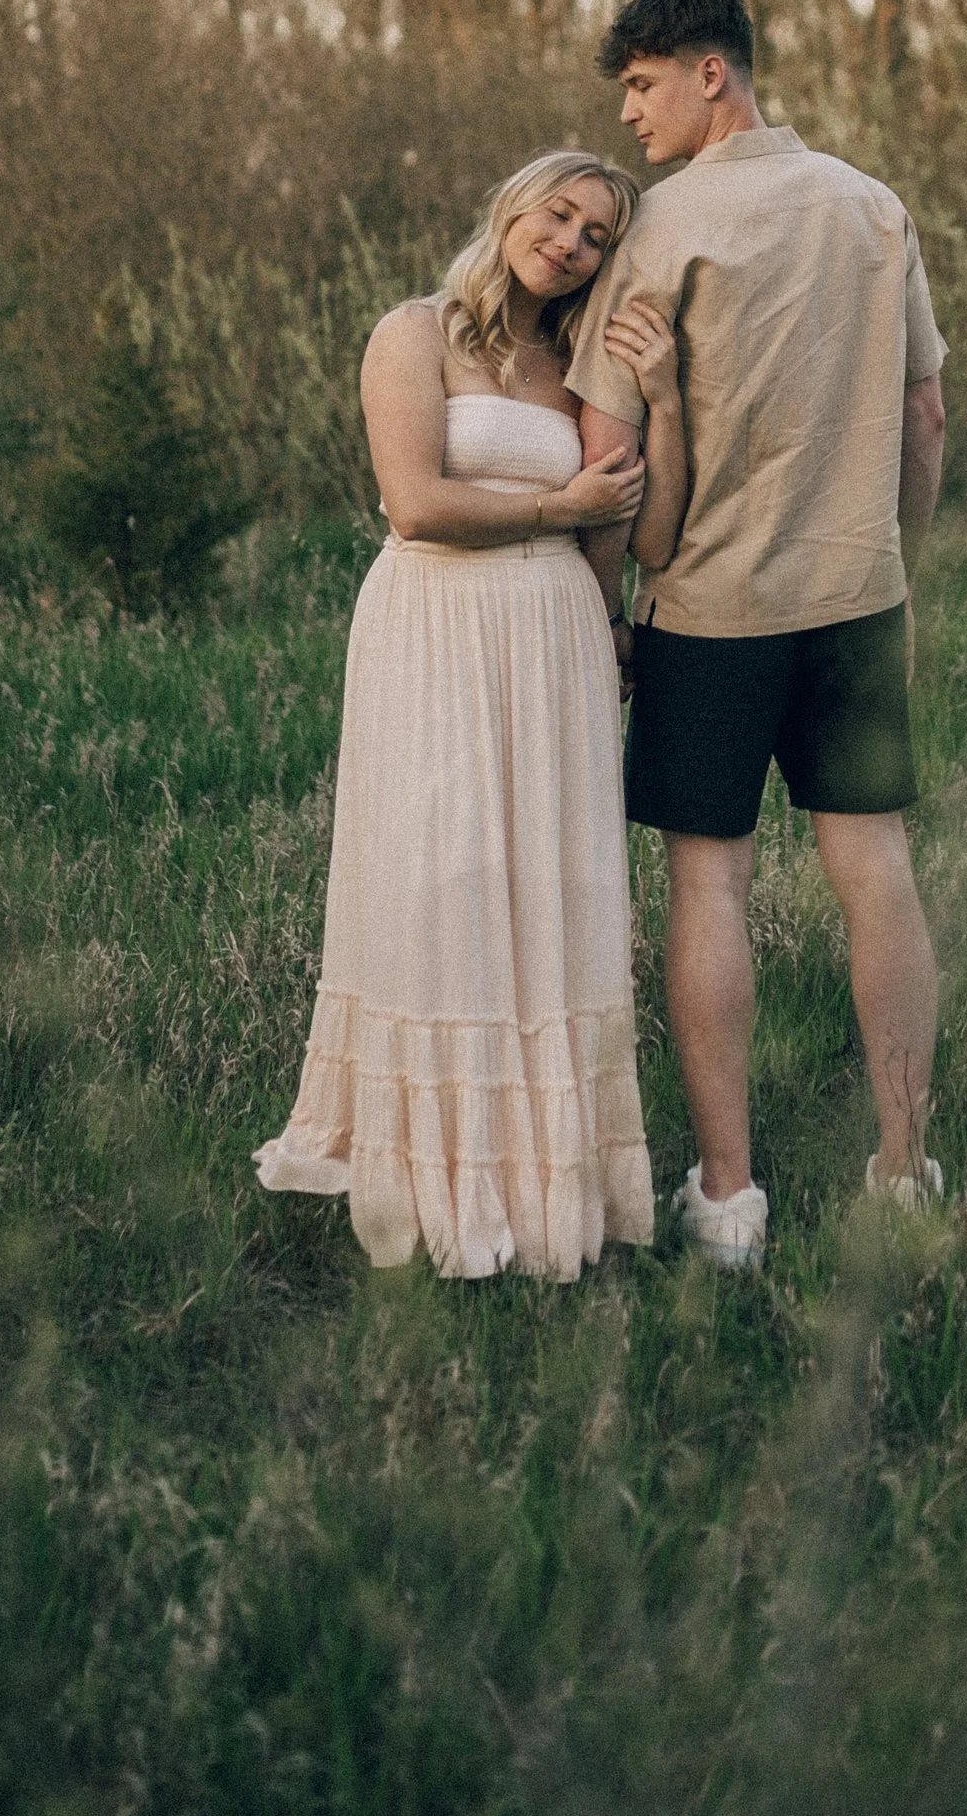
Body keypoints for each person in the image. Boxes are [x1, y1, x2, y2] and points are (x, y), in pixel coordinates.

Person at [568, 0, 948, 1271]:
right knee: (875, 869)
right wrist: (885, 556)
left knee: (709, 880)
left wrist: (611, 605)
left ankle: (728, 1201)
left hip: (709, 616)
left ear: (709, 73)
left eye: (640, 84)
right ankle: (902, 1169)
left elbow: (609, 447)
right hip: (855, 601)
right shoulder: (871, 206)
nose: (629, 113)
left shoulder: (665, 228)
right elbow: (926, 416)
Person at [254, 150, 687, 1278]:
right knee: (441, 876)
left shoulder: (582, 366)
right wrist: (559, 502)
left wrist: (613, 628)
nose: (573, 244)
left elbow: (613, 531)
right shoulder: (415, 333)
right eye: (561, 215)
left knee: (549, 891)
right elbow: (415, 505)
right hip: (435, 631)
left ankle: (549, 1183)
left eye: (598, 235)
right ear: (513, 209)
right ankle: (432, 1174)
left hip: (554, 644)